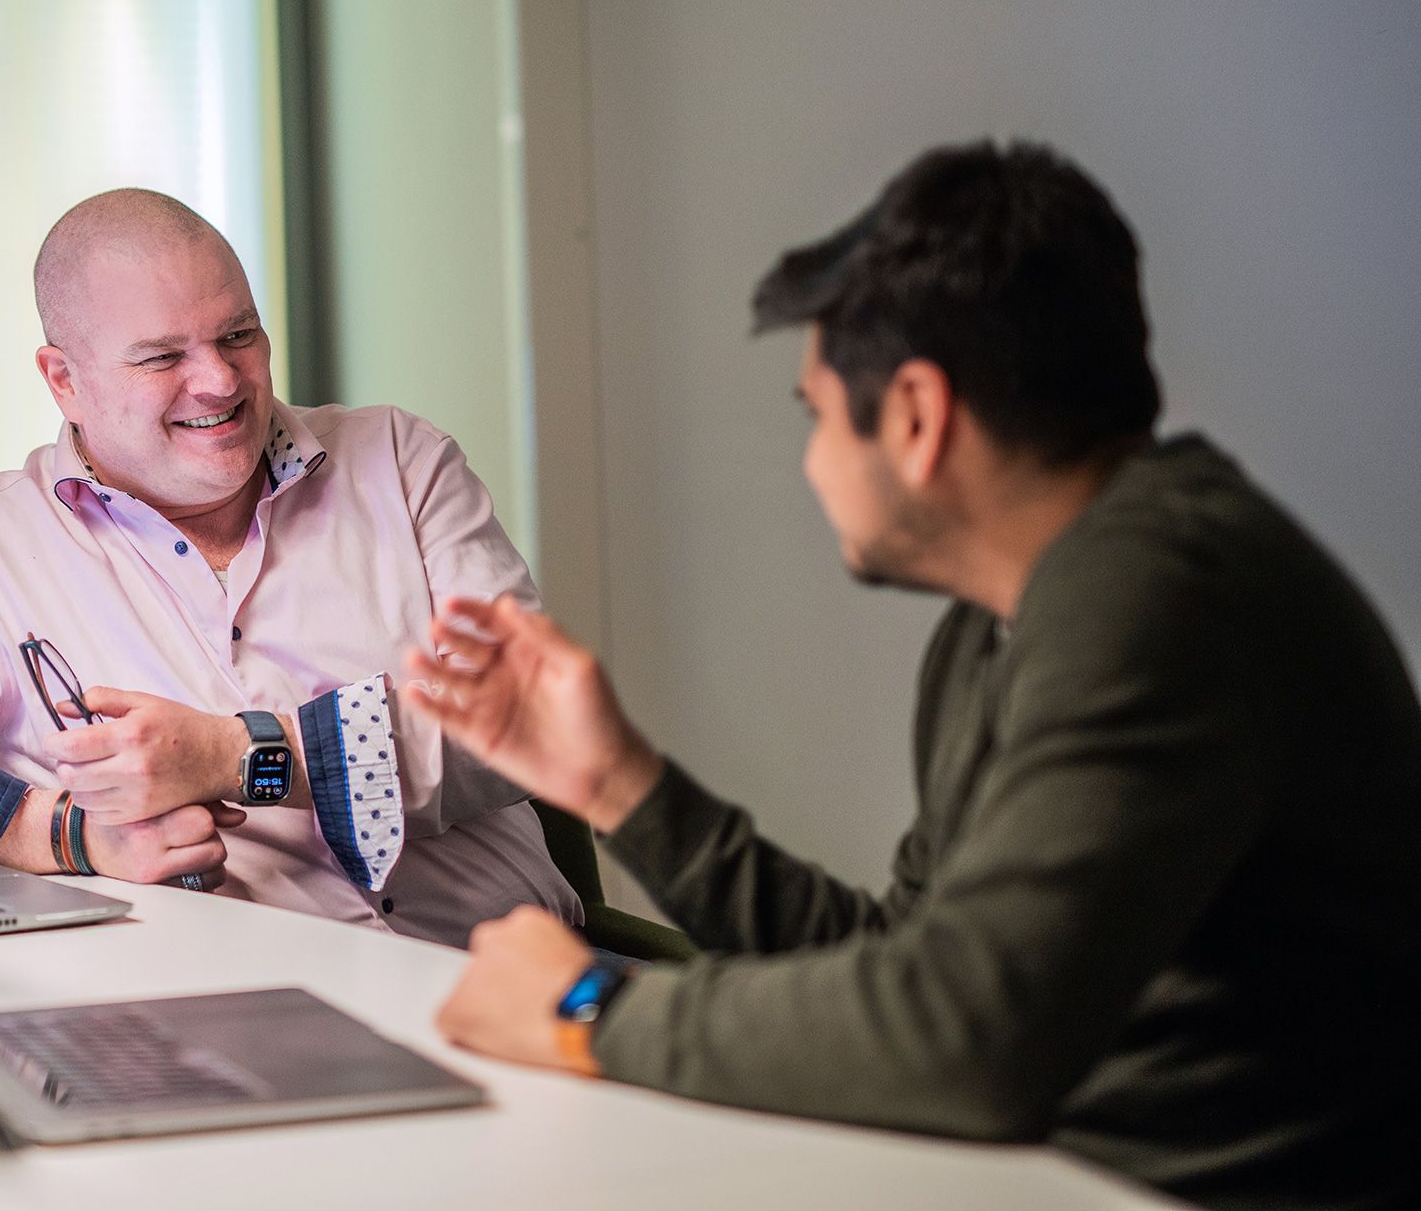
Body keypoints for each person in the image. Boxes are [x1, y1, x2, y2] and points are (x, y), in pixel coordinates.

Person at [409, 141, 1421, 1211]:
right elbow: (911, 962)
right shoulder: (1004, 619)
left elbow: (965, 1038)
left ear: (914, 415)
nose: (808, 463)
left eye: (811, 413)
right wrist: (616, 784)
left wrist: (585, 1005)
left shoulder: (1158, 597)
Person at [0, 188, 581, 948]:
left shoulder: (402, 463)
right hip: (232, 1016)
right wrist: (54, 831)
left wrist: (239, 754)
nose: (221, 381)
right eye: (163, 356)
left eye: (238, 334)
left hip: (517, 983)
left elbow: (529, 722)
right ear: (65, 380)